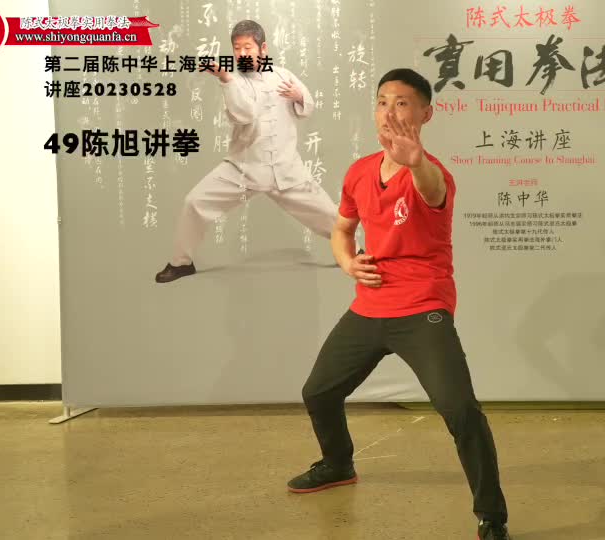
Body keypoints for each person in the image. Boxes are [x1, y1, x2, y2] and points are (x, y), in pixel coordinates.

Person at [287, 68, 511, 540]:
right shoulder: (359, 172)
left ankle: (492, 517)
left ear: (426, 114)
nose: (390, 111)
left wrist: (415, 161)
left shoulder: (432, 174)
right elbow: (342, 230)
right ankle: (338, 463)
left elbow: (431, 188)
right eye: (383, 101)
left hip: (422, 306)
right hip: (370, 306)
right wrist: (348, 263)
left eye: (403, 102)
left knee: (460, 410)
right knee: (319, 392)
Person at [155, 20, 338, 283]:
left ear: (263, 48)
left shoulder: (283, 75)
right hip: (244, 167)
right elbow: (244, 115)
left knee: (329, 214)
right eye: (237, 48)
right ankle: (181, 263)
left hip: (286, 167)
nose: (241, 53)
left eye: (247, 47)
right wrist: (225, 79)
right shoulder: (234, 80)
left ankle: (354, 251)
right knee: (194, 202)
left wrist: (299, 95)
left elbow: (308, 106)